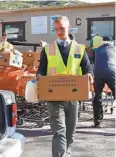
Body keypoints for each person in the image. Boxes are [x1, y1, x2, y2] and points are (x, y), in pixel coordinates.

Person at [37, 16, 93, 157]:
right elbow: (41, 69)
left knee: (70, 132)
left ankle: (66, 153)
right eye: (56, 29)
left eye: (62, 28)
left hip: (73, 96)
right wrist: (39, 77)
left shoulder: (80, 48)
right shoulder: (47, 49)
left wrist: (90, 75)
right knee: (59, 131)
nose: (59, 32)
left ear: (69, 27)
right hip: (54, 96)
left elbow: (87, 68)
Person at [92, 36, 115, 128]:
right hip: (111, 72)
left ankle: (97, 121)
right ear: (111, 42)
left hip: (98, 73)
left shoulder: (96, 50)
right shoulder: (114, 48)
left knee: (98, 97)